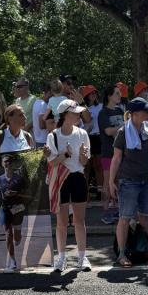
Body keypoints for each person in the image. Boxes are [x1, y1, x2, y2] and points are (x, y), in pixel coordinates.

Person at [109, 97, 148, 267]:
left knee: (145, 218)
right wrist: (111, 181)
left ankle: (144, 251)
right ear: (135, 114)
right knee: (125, 218)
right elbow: (116, 159)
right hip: (128, 181)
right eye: (146, 110)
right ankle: (122, 254)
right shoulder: (123, 132)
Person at [46, 100, 91, 271]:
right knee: (61, 222)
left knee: (79, 220)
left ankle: (82, 257)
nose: (79, 115)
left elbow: (84, 162)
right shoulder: (53, 136)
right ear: (65, 115)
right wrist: (65, 154)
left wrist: (83, 156)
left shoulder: (82, 133)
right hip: (61, 180)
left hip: (78, 177)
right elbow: (52, 163)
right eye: (75, 112)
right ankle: (61, 258)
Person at [0, 154, 29, 273]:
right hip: (5, 208)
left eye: (9, 161)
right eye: (5, 162)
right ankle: (12, 261)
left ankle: (18, 235)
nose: (7, 163)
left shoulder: (19, 179)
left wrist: (16, 194)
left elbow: (28, 194)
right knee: (8, 233)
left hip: (18, 208)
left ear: (12, 164)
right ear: (2, 164)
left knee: (16, 236)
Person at [98, 84, 126, 223]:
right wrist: (124, 125)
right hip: (108, 152)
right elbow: (108, 131)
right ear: (109, 96)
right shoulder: (103, 113)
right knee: (108, 182)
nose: (120, 95)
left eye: (120, 93)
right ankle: (105, 211)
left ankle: (116, 210)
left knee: (119, 182)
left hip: (121, 152)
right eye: (117, 93)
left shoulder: (121, 110)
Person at [81, 86, 103, 195]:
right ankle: (85, 192)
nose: (94, 94)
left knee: (98, 165)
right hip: (86, 137)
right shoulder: (81, 108)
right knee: (86, 166)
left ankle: (100, 191)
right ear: (86, 96)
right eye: (91, 93)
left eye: (95, 92)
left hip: (98, 137)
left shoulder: (101, 106)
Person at [32, 82, 51, 147]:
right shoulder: (43, 105)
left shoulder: (37, 102)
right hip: (44, 140)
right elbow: (42, 125)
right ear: (49, 92)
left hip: (39, 139)